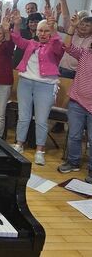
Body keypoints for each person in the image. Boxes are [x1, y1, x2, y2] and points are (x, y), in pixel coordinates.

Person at [10, 5, 64, 165]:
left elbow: (57, 43)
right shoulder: (31, 44)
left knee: (41, 119)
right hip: (25, 83)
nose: (43, 34)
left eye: (46, 31)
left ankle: (40, 150)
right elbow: (17, 39)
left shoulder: (55, 47)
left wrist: (53, 27)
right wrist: (17, 24)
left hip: (45, 86)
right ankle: (19, 144)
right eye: (40, 31)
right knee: (24, 116)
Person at [57, 13, 92, 182]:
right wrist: (72, 28)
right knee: (74, 135)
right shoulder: (85, 53)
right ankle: (73, 162)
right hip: (77, 100)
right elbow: (67, 47)